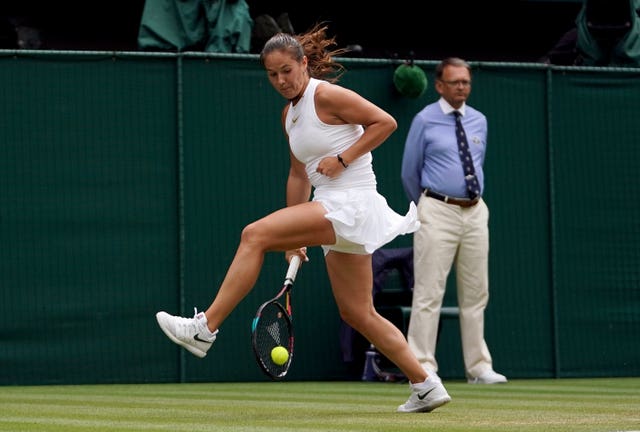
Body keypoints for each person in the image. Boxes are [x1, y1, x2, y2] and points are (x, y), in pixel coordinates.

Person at [155, 24, 451, 413]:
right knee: (357, 312)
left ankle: (204, 328)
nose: (280, 80)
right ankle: (425, 384)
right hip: (333, 208)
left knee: (254, 235)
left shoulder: (325, 95)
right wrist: (295, 236)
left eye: (287, 71)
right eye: (272, 74)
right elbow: (299, 175)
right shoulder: (289, 116)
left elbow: (385, 122)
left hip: (352, 201)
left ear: (304, 64)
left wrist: (343, 159)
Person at [400, 57, 507, 385]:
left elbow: (477, 164)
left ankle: (478, 368)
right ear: (439, 85)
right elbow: (409, 171)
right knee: (429, 290)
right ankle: (422, 364)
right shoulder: (424, 120)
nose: (462, 87)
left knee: (477, 292)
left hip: (475, 210)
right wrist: (427, 207)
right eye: (455, 82)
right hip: (436, 208)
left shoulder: (479, 121)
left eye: (466, 82)